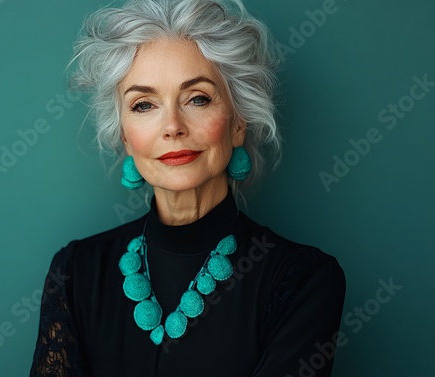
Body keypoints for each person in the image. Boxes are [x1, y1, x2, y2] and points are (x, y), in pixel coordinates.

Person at [29, 0, 346, 376]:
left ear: (238, 123)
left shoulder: (304, 280)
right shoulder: (75, 273)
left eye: (198, 98)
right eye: (144, 105)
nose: (173, 126)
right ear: (126, 138)